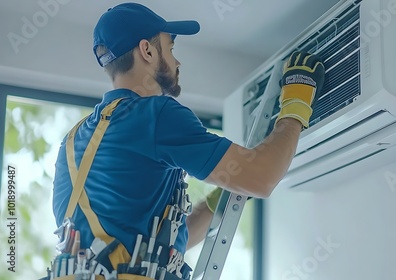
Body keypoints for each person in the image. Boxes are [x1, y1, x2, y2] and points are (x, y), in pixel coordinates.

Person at [51, 2, 324, 277]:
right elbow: (263, 178)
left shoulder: (71, 142)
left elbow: (157, 250)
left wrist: (221, 196)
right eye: (170, 49)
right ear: (147, 50)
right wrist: (296, 102)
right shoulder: (155, 114)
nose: (177, 62)